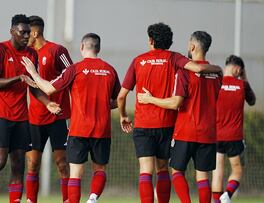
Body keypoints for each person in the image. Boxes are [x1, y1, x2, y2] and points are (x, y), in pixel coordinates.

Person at [117, 24, 221, 203]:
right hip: (169, 125)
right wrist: (219, 69)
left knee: (146, 171)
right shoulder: (176, 59)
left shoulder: (139, 60)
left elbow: (121, 96)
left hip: (146, 124)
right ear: (170, 41)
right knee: (164, 169)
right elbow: (199, 70)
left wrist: (123, 115)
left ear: (151, 40)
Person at [21, 33, 121, 203]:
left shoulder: (75, 69)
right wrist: (104, 106)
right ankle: (93, 198)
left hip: (79, 129)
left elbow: (49, 88)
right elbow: (119, 99)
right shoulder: (110, 70)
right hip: (102, 130)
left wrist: (33, 73)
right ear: (98, 48)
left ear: (82, 47)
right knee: (100, 170)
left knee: (75, 174)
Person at [0, 14, 60, 203]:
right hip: (0, 114)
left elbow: (32, 86)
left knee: (19, 165)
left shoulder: (31, 54)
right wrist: (18, 78)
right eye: (22, 32)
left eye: (28, 32)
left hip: (21, 117)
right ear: (12, 31)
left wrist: (47, 103)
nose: (27, 36)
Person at [25, 15, 72, 203]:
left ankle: (68, 199)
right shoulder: (26, 55)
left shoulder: (57, 50)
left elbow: (72, 74)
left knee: (61, 164)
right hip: (35, 118)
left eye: (27, 32)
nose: (24, 36)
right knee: (32, 164)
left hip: (59, 118)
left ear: (35, 32)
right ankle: (31, 200)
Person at [212, 55, 256, 203]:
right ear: (238, 69)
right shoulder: (242, 85)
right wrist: (244, 78)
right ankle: (227, 195)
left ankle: (217, 201)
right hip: (234, 136)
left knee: (217, 173)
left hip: (216, 135)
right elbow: (252, 101)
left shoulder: (216, 84)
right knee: (237, 170)